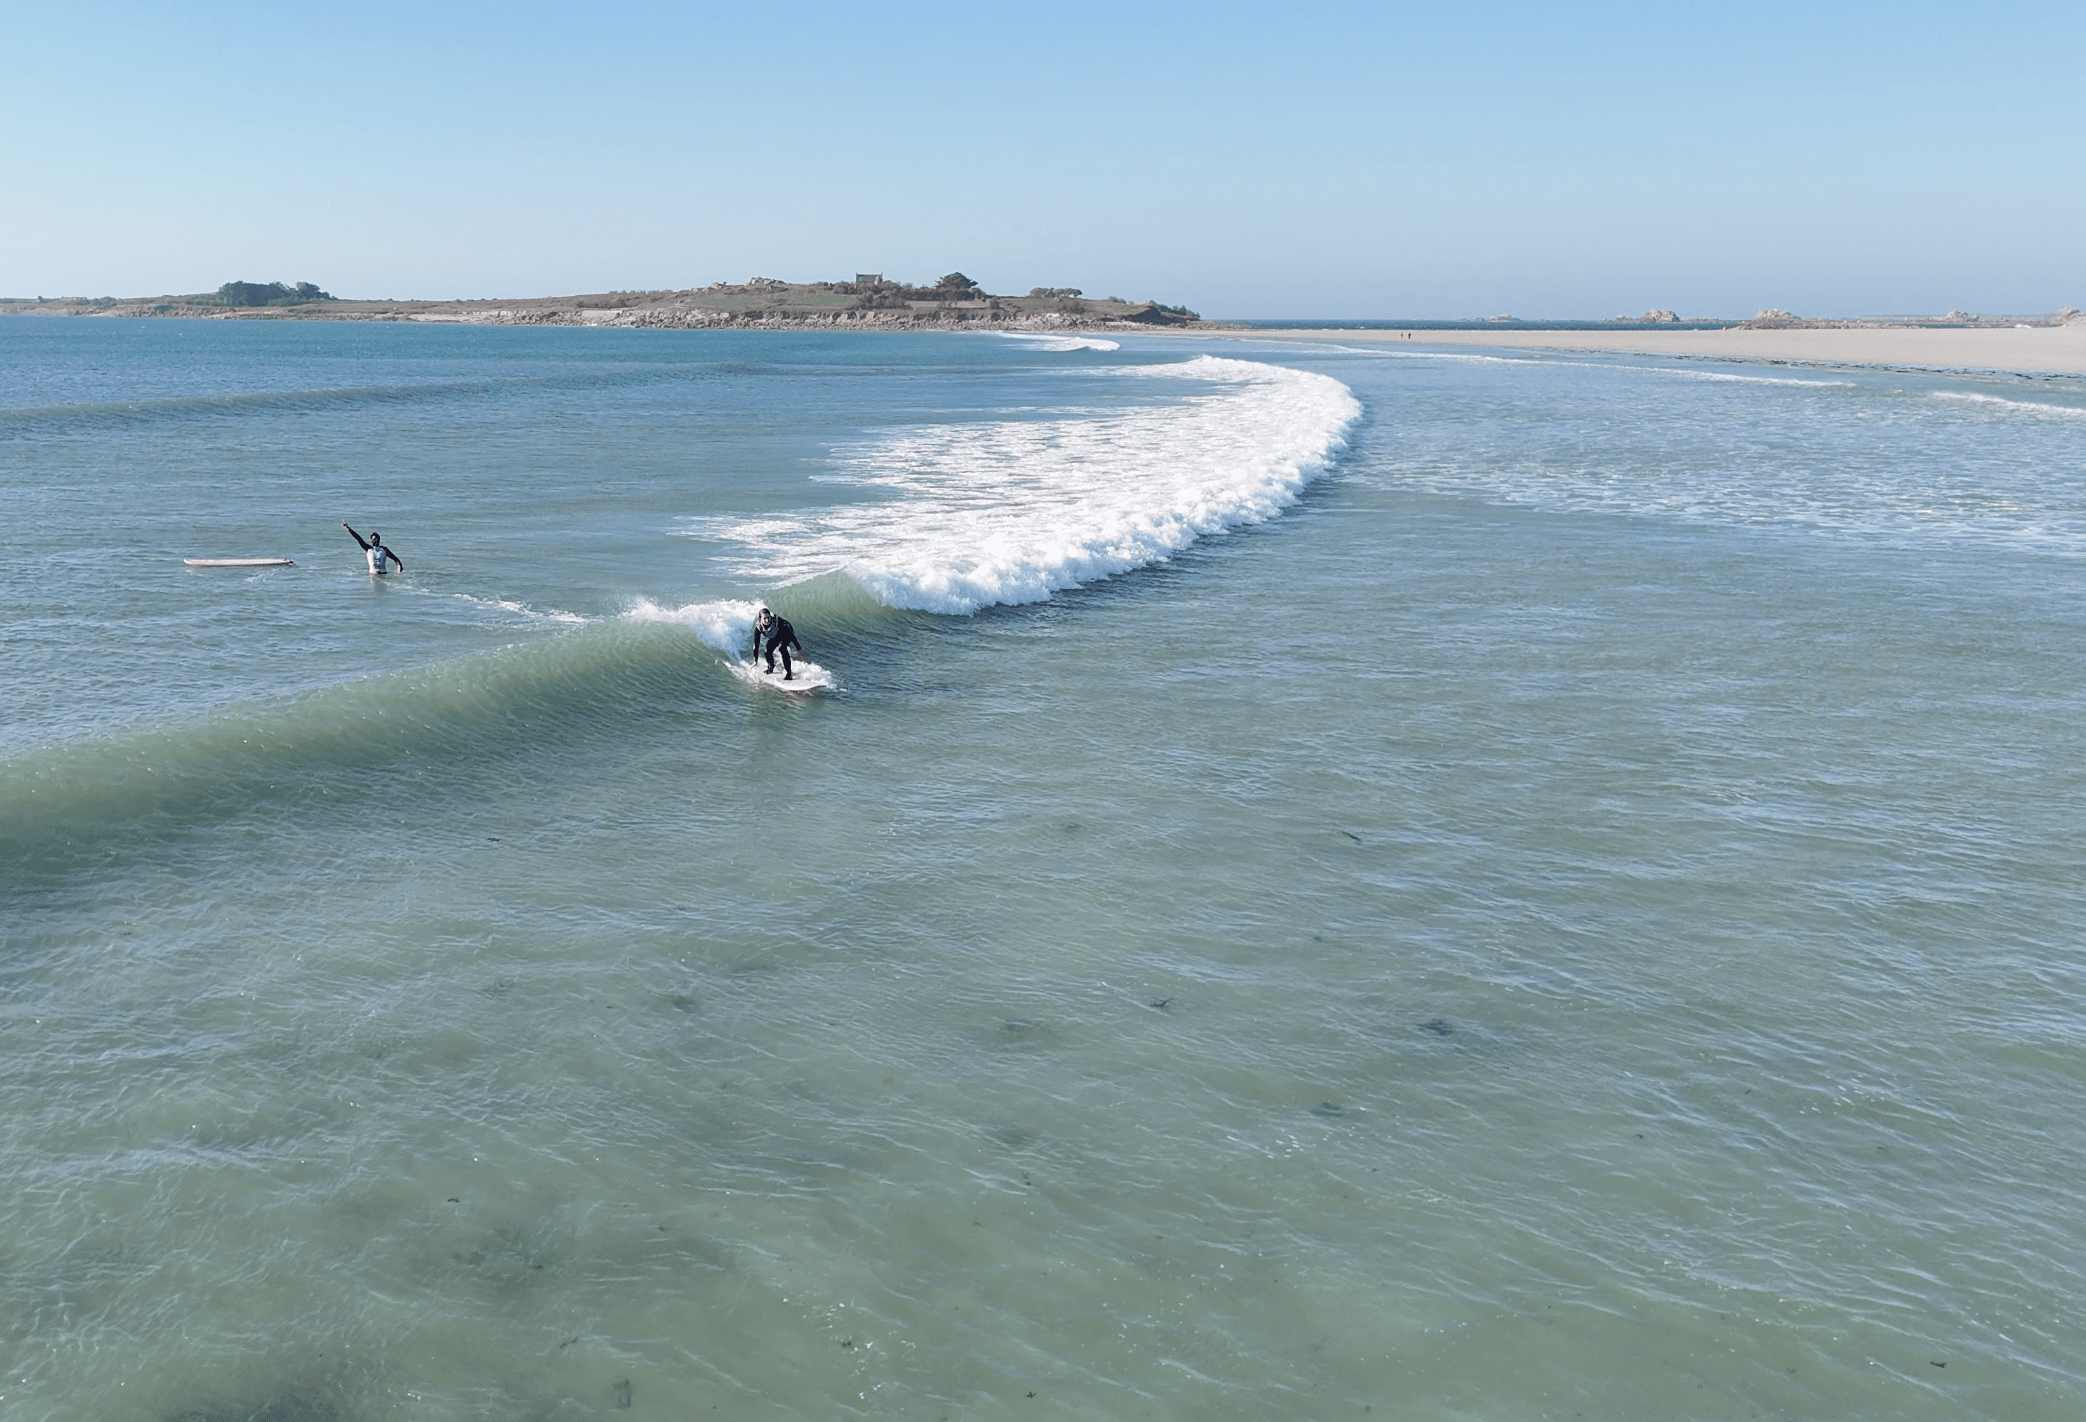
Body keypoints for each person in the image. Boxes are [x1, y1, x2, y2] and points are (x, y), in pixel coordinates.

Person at [749, 607, 805, 679]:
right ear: (760, 619)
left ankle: (789, 673)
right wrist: (755, 660)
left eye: (768, 617)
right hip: (774, 636)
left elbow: (791, 634)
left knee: (782, 648)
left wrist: (798, 648)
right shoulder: (758, 627)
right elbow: (756, 644)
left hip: (786, 631)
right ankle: (771, 667)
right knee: (767, 652)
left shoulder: (777, 621)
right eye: (765, 618)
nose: (767, 620)